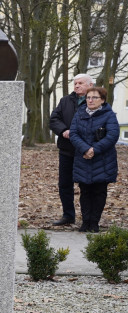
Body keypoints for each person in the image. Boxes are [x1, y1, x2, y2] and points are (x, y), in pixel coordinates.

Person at [69, 86, 119, 233]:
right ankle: (85, 222)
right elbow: (73, 134)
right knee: (85, 191)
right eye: (88, 97)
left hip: (103, 160)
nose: (90, 100)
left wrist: (94, 150)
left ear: (102, 100)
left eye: (94, 97)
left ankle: (94, 222)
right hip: (83, 158)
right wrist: (85, 149)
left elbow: (112, 136)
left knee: (99, 191)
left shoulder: (109, 115)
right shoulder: (79, 114)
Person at [48, 73, 92, 226]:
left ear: (90, 85)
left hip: (86, 151)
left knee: (86, 185)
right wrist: (63, 130)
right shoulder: (65, 100)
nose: (77, 86)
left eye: (81, 83)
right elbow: (54, 119)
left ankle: (88, 219)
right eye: (75, 83)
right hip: (66, 150)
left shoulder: (95, 101)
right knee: (64, 184)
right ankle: (68, 216)